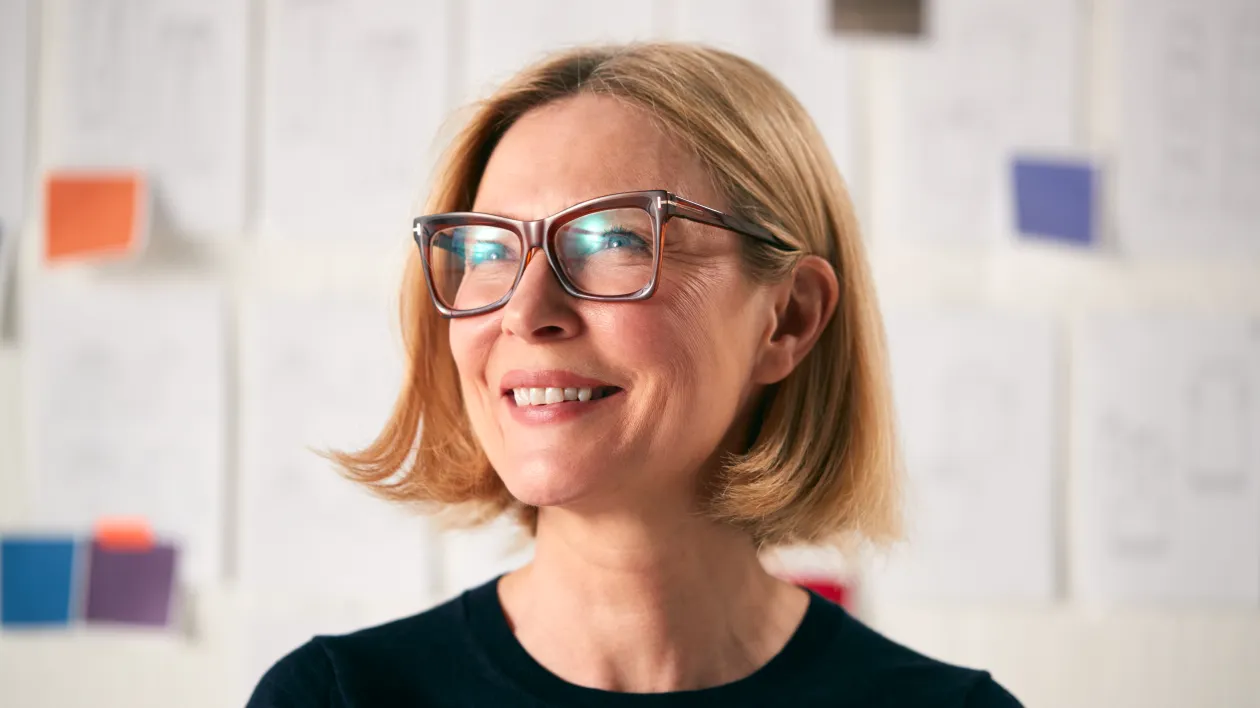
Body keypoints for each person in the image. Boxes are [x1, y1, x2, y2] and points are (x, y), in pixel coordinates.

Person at [247, 43, 1022, 707]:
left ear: (787, 319)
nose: (525, 311)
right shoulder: (335, 698)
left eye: (613, 240)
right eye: (488, 252)